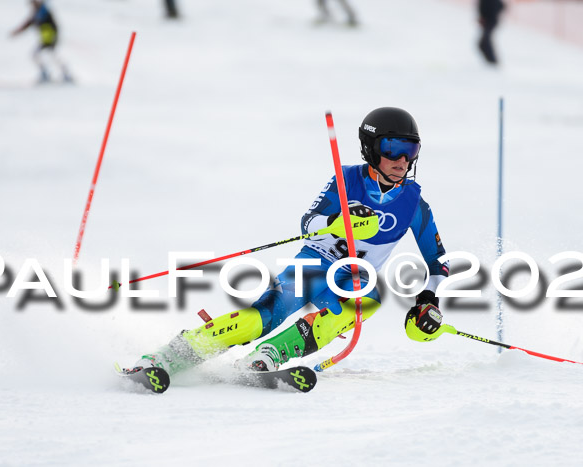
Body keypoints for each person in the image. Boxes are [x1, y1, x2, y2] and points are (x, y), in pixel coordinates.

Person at [129, 107, 450, 376]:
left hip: (354, 277)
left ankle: (268, 357)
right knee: (267, 314)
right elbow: (308, 222)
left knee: (370, 297)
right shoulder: (347, 179)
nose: (402, 160)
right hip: (315, 263)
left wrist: (428, 298)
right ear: (371, 148)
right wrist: (339, 223)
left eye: (411, 150)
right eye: (393, 148)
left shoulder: (414, 204)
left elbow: (438, 262)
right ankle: (172, 355)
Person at [10, 0, 73, 84]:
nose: (32, 5)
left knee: (44, 55)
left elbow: (54, 26)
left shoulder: (43, 12)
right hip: (45, 39)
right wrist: (17, 32)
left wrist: (54, 37)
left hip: (49, 39)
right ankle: (58, 73)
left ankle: (58, 74)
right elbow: (28, 23)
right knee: (45, 55)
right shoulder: (38, 13)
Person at [477, 0, 505, 65]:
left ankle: (493, 61)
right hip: (488, 21)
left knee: (484, 42)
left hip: (490, 21)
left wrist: (491, 16)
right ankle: (491, 61)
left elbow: (501, 6)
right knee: (483, 42)